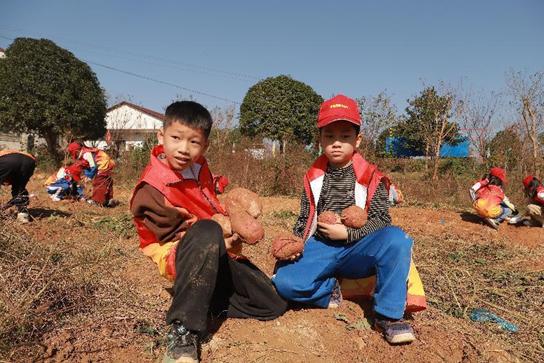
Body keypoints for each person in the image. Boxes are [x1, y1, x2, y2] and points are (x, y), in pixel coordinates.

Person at [130, 101, 286, 363]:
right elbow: (171, 236)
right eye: (176, 138)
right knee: (206, 229)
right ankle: (184, 330)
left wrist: (235, 216)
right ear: (161, 137)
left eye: (193, 142)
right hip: (179, 252)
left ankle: (200, 296)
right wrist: (221, 232)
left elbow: (212, 200)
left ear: (204, 146)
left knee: (272, 304)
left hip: (214, 247)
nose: (183, 149)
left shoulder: (200, 167)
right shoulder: (152, 187)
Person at [272, 94, 416, 345]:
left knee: (397, 239)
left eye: (345, 136)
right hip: (323, 245)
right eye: (329, 136)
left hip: (359, 248)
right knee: (284, 283)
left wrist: (349, 234)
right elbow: (306, 217)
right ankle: (329, 289)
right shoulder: (313, 176)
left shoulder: (373, 176)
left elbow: (381, 219)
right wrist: (296, 244)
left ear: (358, 140)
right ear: (320, 140)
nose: (336, 143)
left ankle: (389, 316)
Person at [66, 142, 115, 207]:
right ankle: (108, 199)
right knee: (107, 181)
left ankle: (98, 201)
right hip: (105, 164)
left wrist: (89, 177)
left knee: (99, 182)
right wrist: (86, 175)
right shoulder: (85, 153)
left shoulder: (86, 154)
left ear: (76, 151)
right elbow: (88, 166)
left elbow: (93, 166)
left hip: (103, 163)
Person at [0, 149, 36, 223]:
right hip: (30, 162)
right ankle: (23, 215)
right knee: (19, 188)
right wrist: (5, 206)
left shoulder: (4, 156)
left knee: (18, 188)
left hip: (8, 161)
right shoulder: (14, 153)